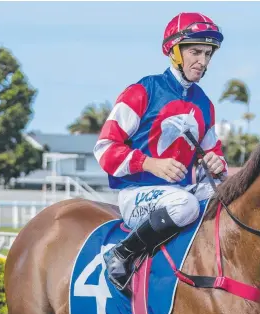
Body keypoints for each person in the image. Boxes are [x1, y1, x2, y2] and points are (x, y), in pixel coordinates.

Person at [93, 12, 228, 291]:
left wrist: (216, 163)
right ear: (174, 51)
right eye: (195, 52)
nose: (202, 62)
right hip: (138, 197)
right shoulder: (142, 91)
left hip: (180, 194)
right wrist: (149, 164)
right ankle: (122, 253)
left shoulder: (204, 105)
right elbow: (105, 149)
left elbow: (213, 155)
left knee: (226, 199)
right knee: (186, 205)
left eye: (207, 54)